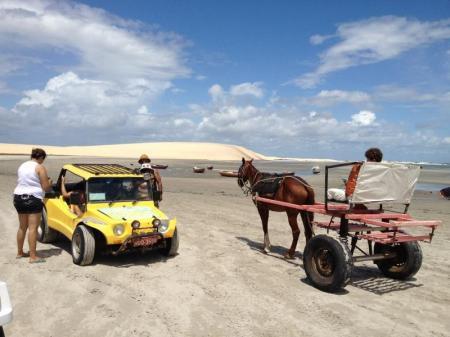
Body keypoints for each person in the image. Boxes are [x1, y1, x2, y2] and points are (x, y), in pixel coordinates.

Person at [13, 148, 52, 263]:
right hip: (33, 198)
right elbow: (45, 187)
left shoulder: (22, 166)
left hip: (18, 197)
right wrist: (49, 183)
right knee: (33, 228)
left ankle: (20, 252)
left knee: (22, 227)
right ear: (41, 158)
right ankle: (33, 257)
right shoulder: (39, 167)